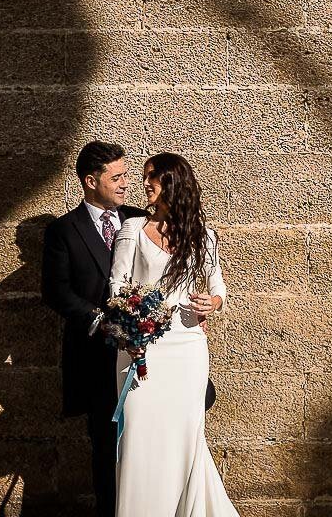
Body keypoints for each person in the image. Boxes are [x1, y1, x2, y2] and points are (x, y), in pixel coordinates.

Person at [108, 152, 238, 517]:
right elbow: (116, 287)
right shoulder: (132, 230)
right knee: (138, 432)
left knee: (183, 437)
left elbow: (219, 288)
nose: (145, 183)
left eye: (154, 177)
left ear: (173, 184)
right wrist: (128, 329)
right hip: (141, 348)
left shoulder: (203, 236)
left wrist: (212, 303)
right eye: (146, 176)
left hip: (188, 347)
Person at [41, 141, 150, 517]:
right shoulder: (63, 231)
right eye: (117, 177)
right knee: (106, 448)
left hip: (144, 356)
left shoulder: (141, 220)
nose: (126, 184)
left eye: (126, 176)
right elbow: (56, 291)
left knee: (147, 445)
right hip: (96, 359)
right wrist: (100, 319)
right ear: (90, 181)